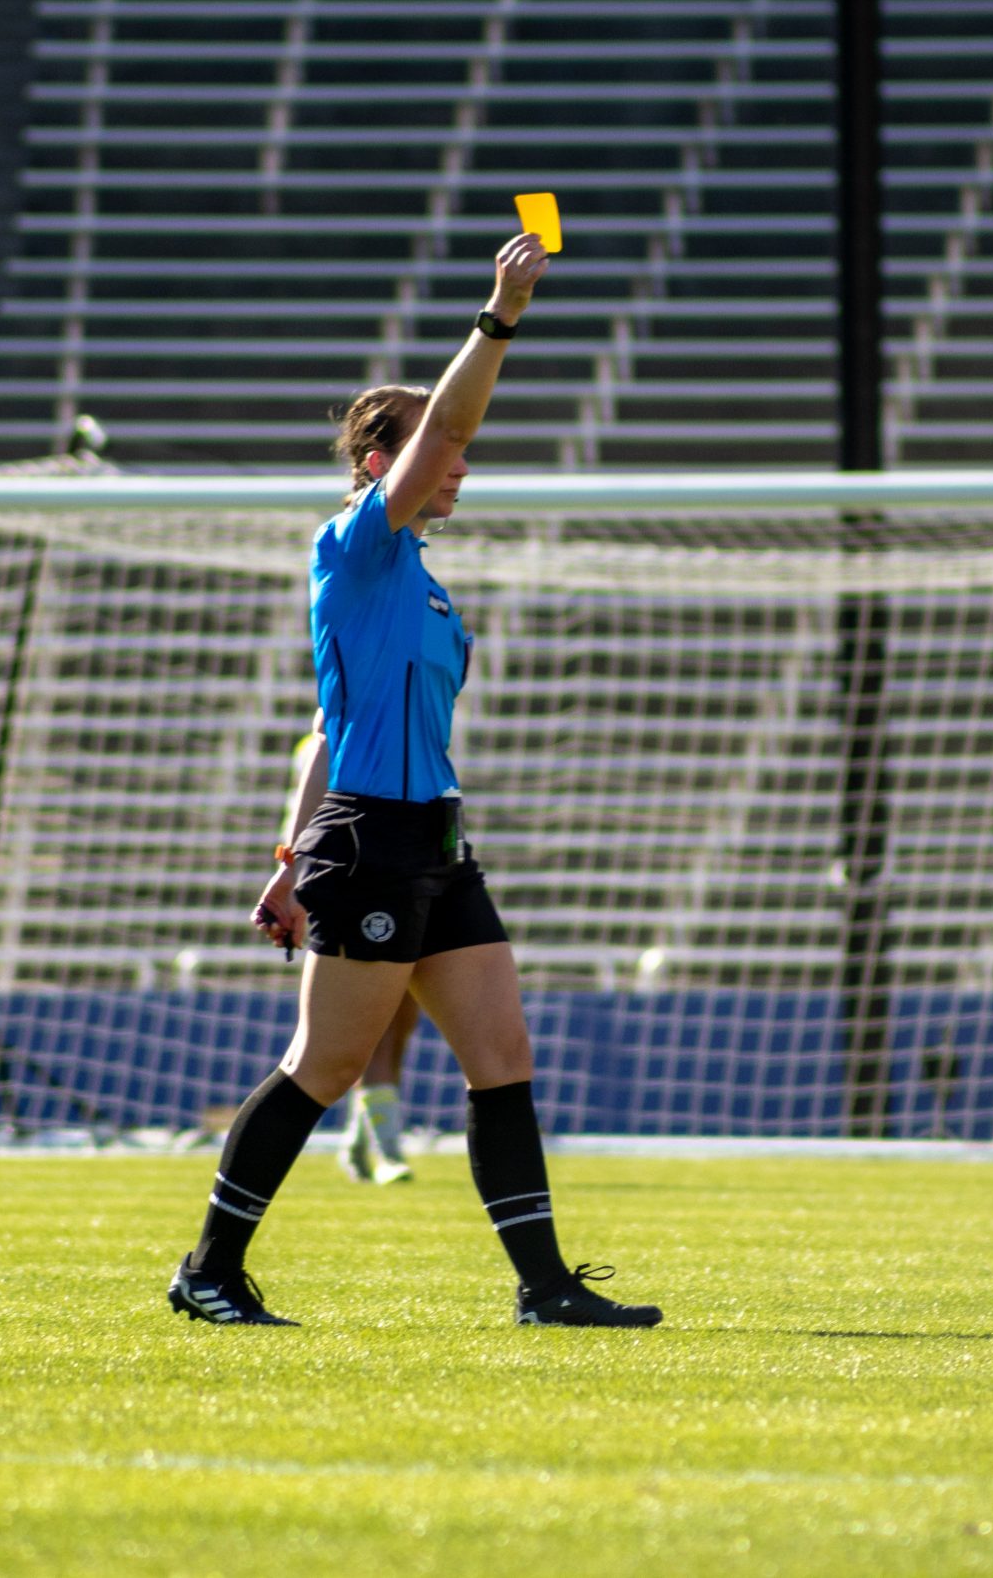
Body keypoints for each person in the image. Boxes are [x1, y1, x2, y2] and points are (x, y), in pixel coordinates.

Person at [167, 231, 661, 1327]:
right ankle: (207, 1269)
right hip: (376, 843)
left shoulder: (422, 590)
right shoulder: (355, 547)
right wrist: (500, 315)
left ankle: (544, 1287)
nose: (464, 464)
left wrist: (287, 861)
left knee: (502, 1056)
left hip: (430, 842)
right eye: (443, 449)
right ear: (382, 466)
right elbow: (451, 419)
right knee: (326, 1066)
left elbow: (321, 731)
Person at [267, 712, 419, 1184]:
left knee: (398, 1026)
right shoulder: (328, 740)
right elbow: (313, 819)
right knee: (366, 1032)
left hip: (404, 875)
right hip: (350, 882)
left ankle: (360, 1139)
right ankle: (390, 1151)